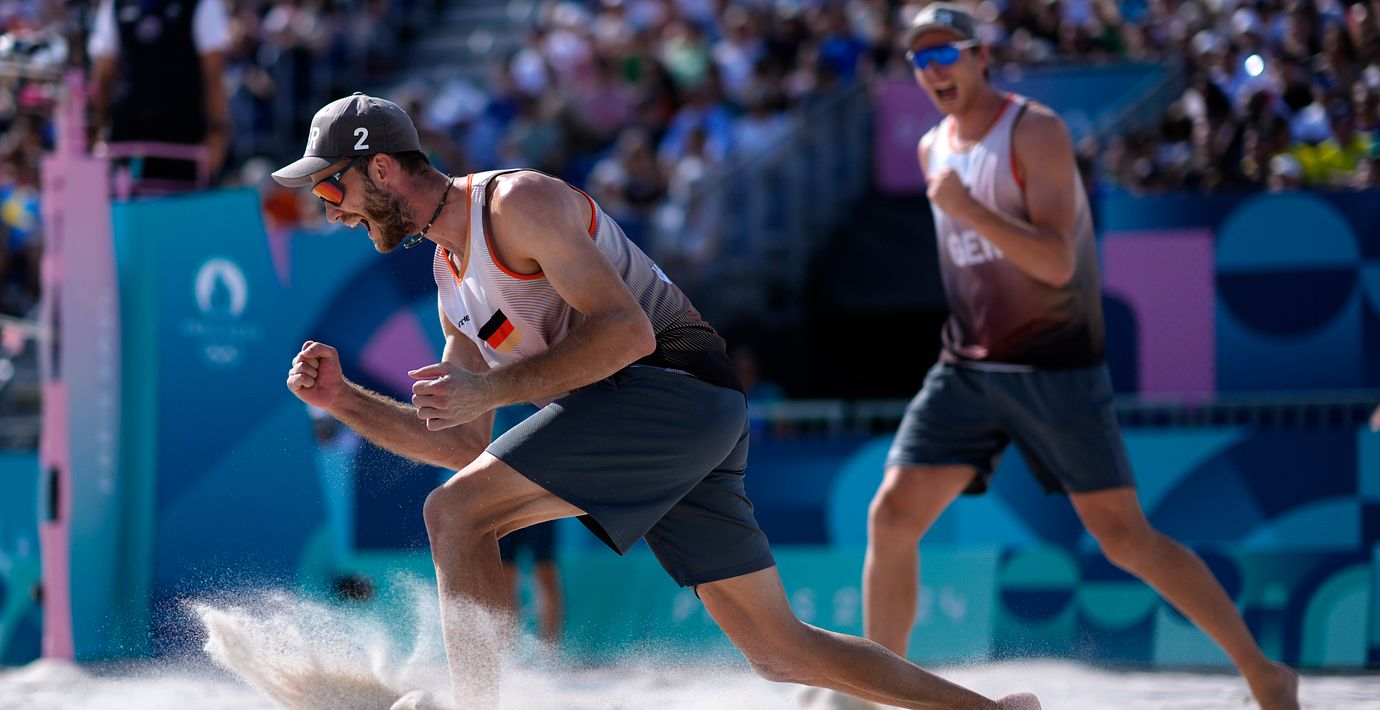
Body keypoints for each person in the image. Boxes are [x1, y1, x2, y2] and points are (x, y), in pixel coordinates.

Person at [274, 92, 1040, 710]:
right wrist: (344, 401)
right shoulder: (451, 281)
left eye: (331, 186)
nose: (328, 209)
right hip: (665, 417)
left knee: (454, 513)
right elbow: (459, 443)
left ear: (382, 169)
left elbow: (627, 333)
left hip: (670, 388)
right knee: (780, 651)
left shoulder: (515, 203)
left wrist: (494, 387)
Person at [825, 6, 1300, 710]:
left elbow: (1055, 262)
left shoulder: (1034, 130)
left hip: (1054, 365)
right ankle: (878, 692)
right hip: (969, 365)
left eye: (946, 54)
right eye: (921, 60)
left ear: (981, 56)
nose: (933, 71)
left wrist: (970, 209)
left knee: (1124, 537)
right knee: (891, 516)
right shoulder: (931, 147)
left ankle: (1264, 672)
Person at [88, 0, 232, 187]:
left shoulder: (202, 4)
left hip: (184, 140)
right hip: (128, 141)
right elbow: (104, 75)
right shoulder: (116, 5)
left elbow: (213, 75)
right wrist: (99, 129)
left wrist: (217, 132)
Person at [499, 521, 563, 648]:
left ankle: (550, 651)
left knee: (545, 573)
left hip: (538, 514)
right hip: (503, 514)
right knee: (505, 578)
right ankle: (509, 648)